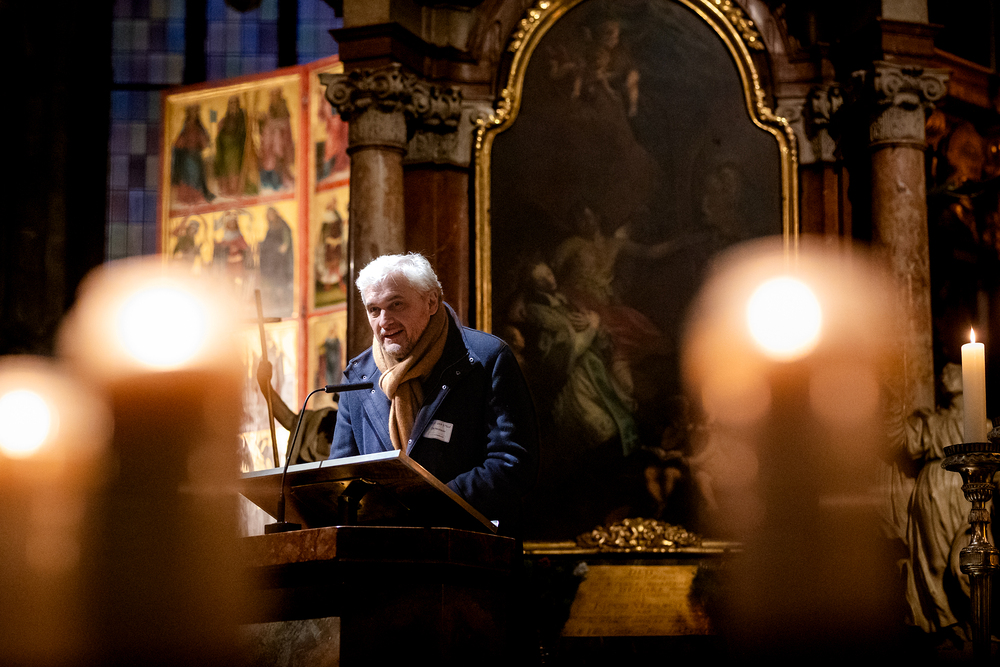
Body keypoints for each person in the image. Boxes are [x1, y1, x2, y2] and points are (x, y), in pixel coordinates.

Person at [330, 253, 539, 535]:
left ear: (431, 302)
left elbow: (512, 463)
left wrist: (433, 504)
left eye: (396, 304)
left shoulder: (487, 359)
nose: (384, 321)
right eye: (374, 309)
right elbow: (342, 477)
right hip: (383, 549)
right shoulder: (358, 377)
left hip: (468, 545)